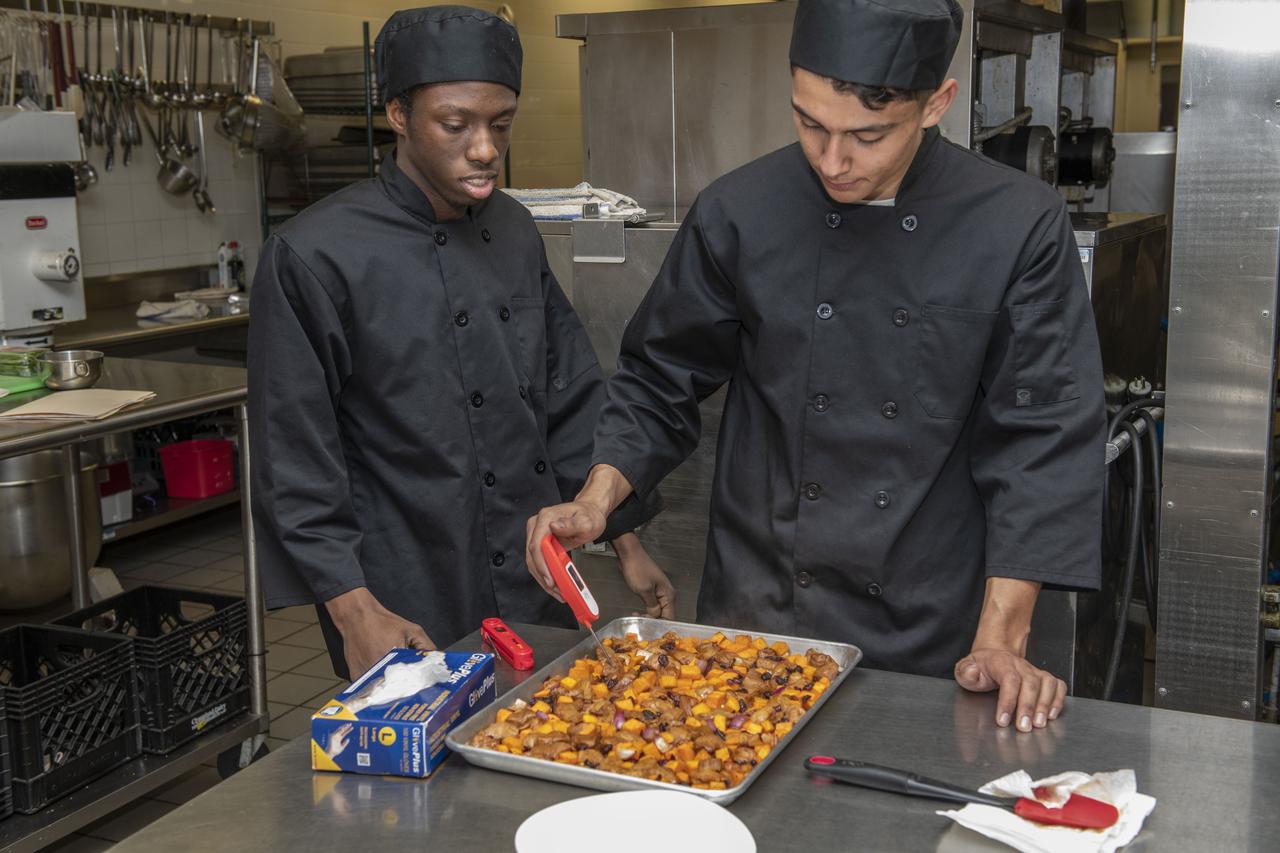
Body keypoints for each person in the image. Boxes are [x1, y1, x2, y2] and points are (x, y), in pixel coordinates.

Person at [526, 0, 1105, 733]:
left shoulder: (1017, 224)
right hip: (762, 605)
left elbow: (1042, 436)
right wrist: (596, 500)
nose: (832, 161)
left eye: (867, 136)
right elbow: (658, 376)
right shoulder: (740, 210)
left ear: (937, 104)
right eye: (810, 123)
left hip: (929, 618)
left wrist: (1003, 636)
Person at [248, 6, 665, 680]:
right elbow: (292, 460)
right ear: (398, 115)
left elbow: (567, 393)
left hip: (535, 576)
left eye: (500, 124)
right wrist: (355, 614)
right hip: (403, 592)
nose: (484, 148)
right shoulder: (314, 255)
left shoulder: (514, 229)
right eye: (455, 125)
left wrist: (624, 537)